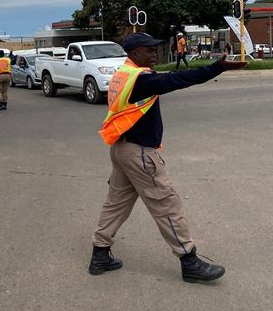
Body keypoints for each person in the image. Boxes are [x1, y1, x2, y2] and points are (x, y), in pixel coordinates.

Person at [89, 32, 247, 283]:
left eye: (155, 49)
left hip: (121, 149)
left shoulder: (123, 74)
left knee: (116, 203)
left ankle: (100, 254)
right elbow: (178, 79)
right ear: (134, 53)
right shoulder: (141, 79)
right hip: (139, 153)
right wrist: (216, 67)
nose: (154, 54)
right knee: (166, 204)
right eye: (148, 50)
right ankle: (189, 260)